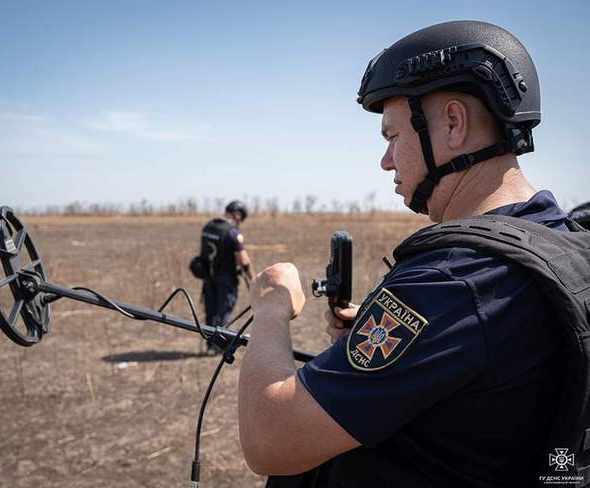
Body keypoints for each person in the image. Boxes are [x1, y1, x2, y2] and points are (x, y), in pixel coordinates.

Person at [238, 21, 571, 487]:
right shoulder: (560, 238)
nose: (387, 161)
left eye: (392, 137)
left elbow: (269, 441)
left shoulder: (454, 282)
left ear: (453, 124)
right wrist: (386, 344)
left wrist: (272, 308)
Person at [198, 200, 255, 334]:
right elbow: (243, 260)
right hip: (226, 280)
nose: (240, 222)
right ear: (237, 214)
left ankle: (210, 342)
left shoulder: (208, 227)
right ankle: (220, 344)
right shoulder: (232, 233)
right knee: (223, 313)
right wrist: (253, 279)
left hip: (208, 278)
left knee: (210, 311)